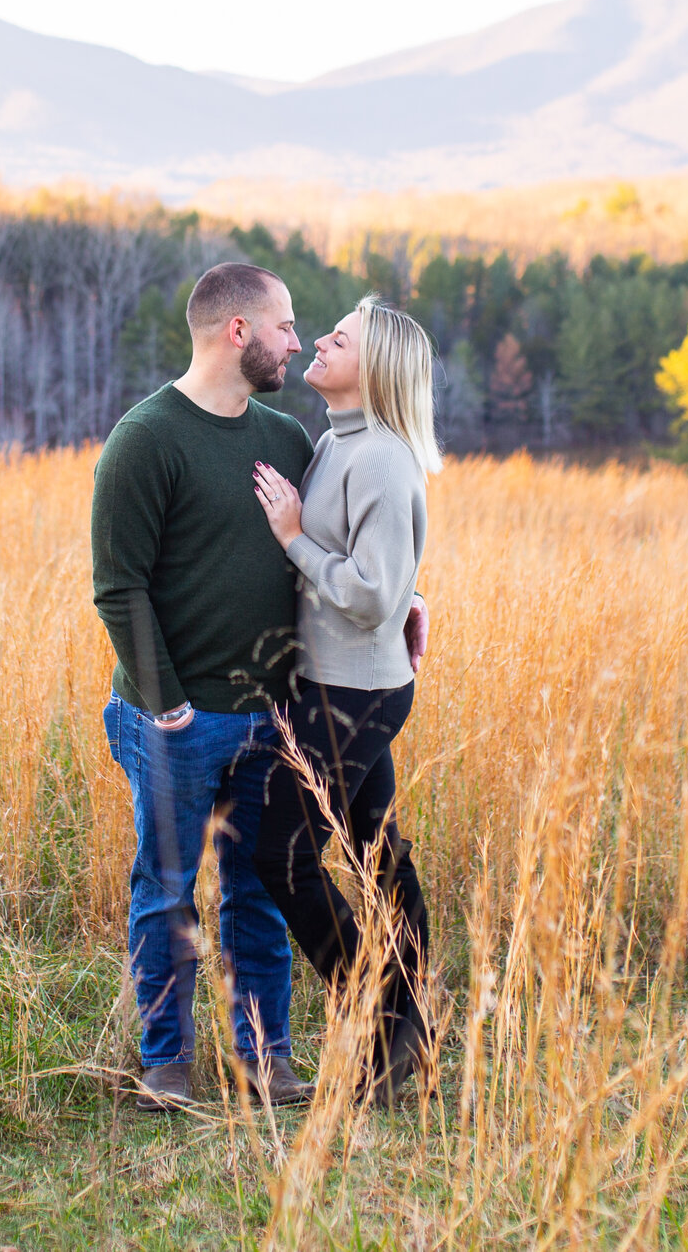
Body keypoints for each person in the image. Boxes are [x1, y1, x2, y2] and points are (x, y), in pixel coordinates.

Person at [90, 261, 315, 1111]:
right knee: (167, 891)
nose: (297, 339)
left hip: (271, 720)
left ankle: (268, 1061)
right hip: (172, 723)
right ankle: (167, 1065)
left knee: (259, 887)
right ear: (239, 331)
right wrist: (170, 704)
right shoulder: (145, 439)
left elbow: (324, 555)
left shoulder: (288, 439)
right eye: (286, 325)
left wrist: (400, 592)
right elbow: (119, 586)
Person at [245, 295, 439, 1103]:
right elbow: (382, 573)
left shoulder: (383, 459)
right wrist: (406, 596)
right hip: (342, 680)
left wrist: (292, 535)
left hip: (353, 692)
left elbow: (365, 590)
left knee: (283, 855)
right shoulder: (337, 443)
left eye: (340, 337)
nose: (319, 339)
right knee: (378, 856)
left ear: (376, 368)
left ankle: (373, 1019)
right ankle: (408, 1044)